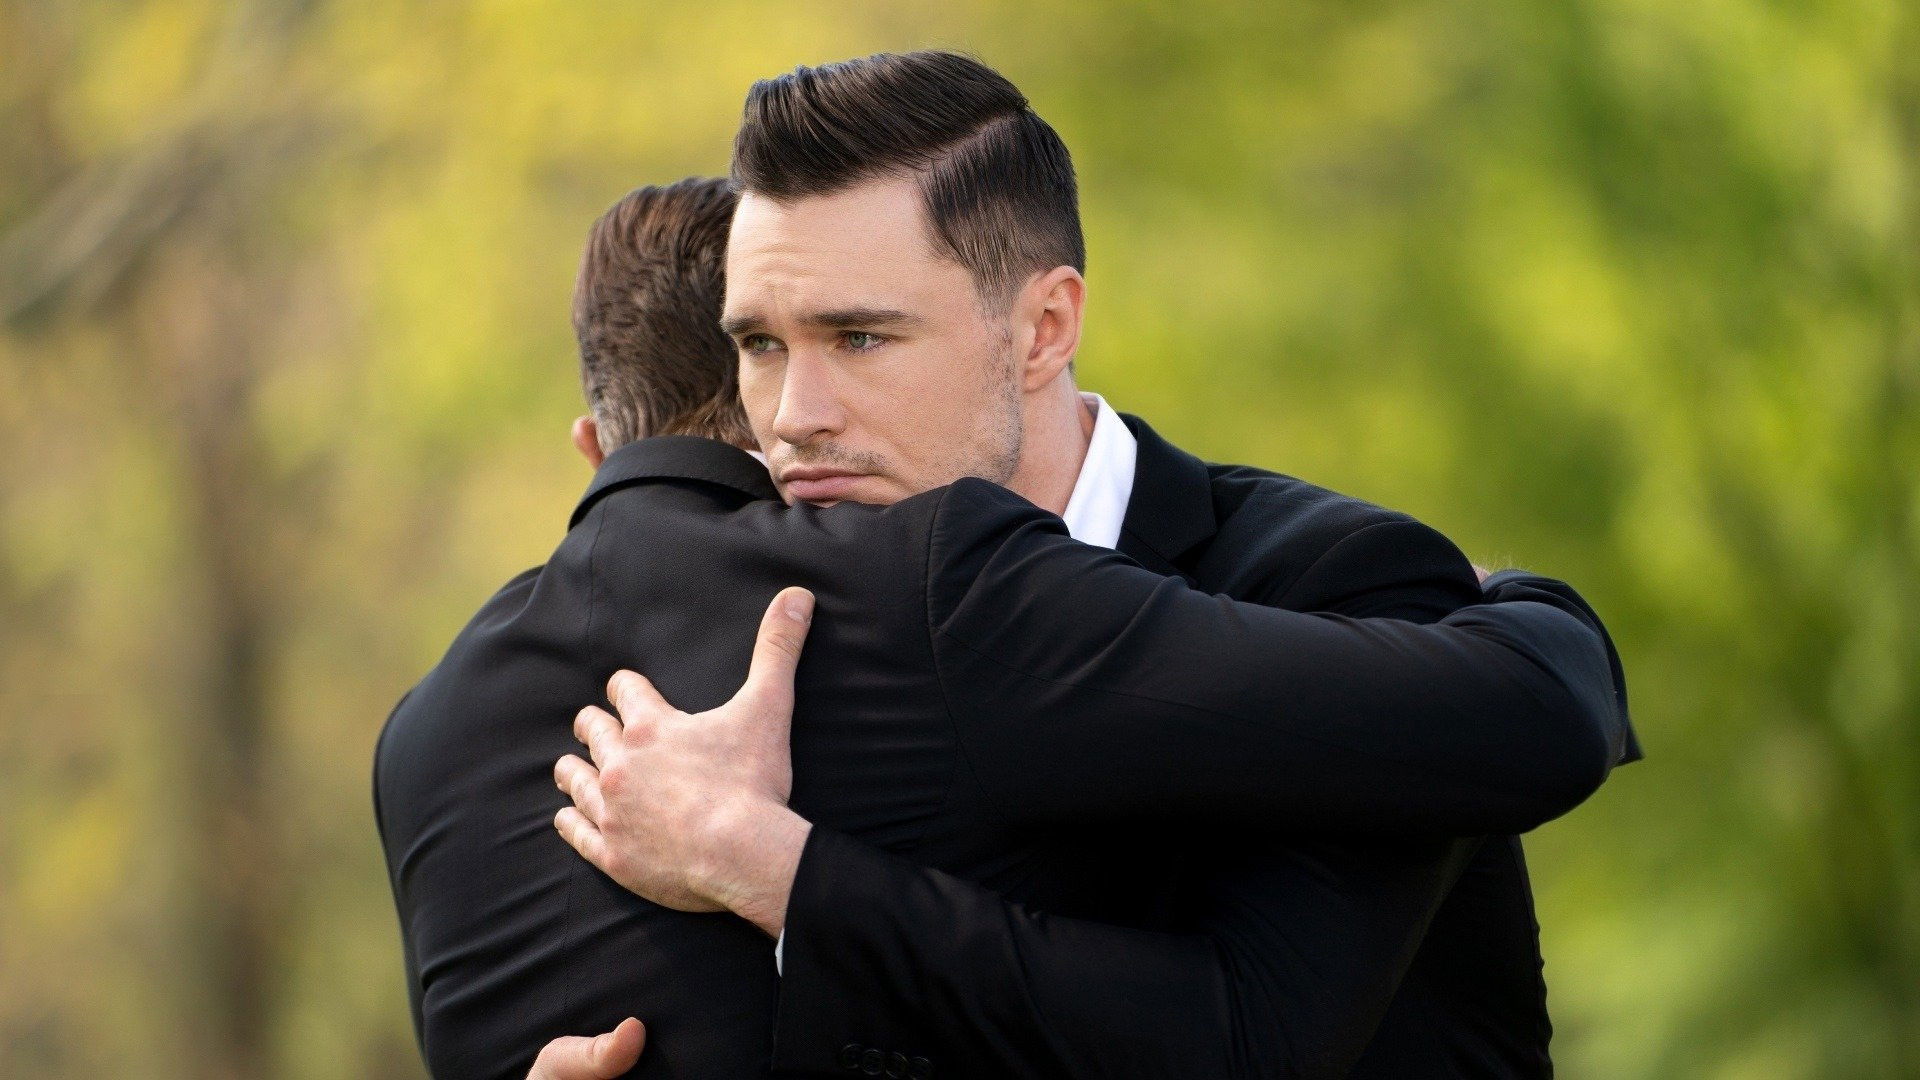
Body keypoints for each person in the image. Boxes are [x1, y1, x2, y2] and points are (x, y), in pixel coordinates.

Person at [377, 61, 1632, 1080]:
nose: (794, 415)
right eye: (758, 344)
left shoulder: (1328, 583)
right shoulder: (775, 668)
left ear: (1043, 328)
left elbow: (1246, 1043)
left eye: (859, 337)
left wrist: (773, 868)